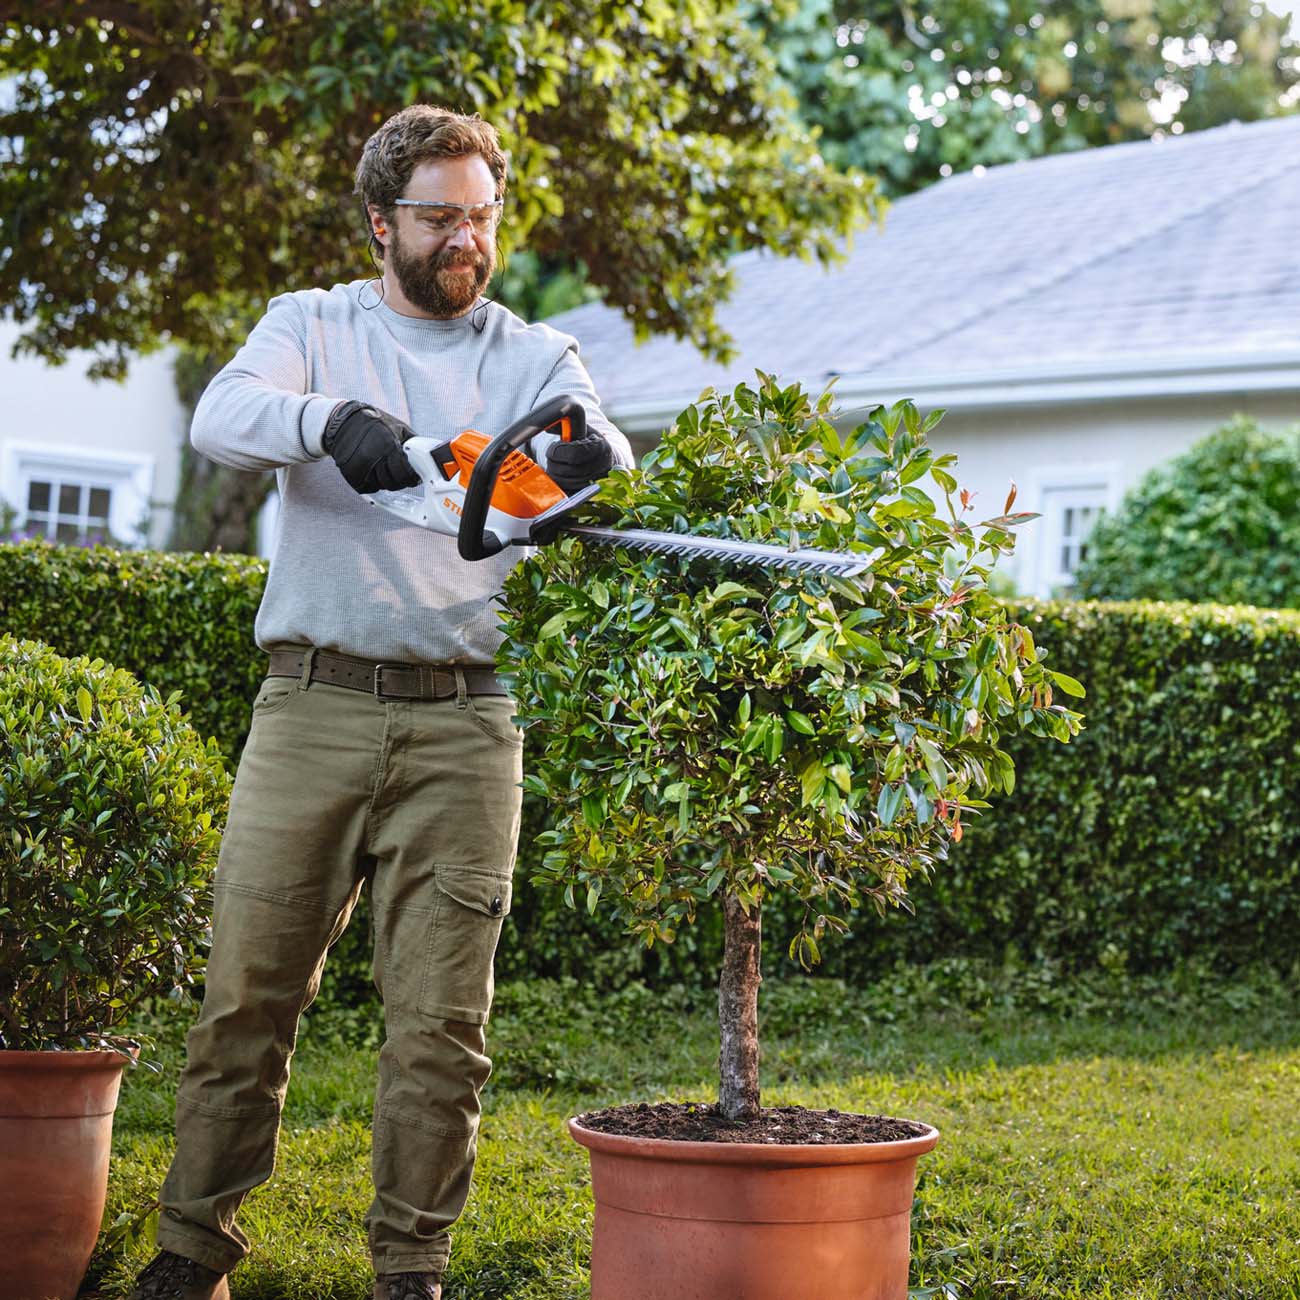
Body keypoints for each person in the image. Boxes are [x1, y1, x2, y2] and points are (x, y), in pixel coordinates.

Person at [128, 104, 633, 1300]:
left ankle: (412, 1268)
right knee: (245, 999)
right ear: (380, 223)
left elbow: (596, 441)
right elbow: (221, 415)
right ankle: (191, 1252)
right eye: (439, 216)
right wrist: (329, 421)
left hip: (468, 720)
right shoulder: (313, 326)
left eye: (481, 215)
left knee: (441, 1031)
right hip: (311, 707)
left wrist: (567, 464)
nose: (465, 237)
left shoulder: (535, 353)